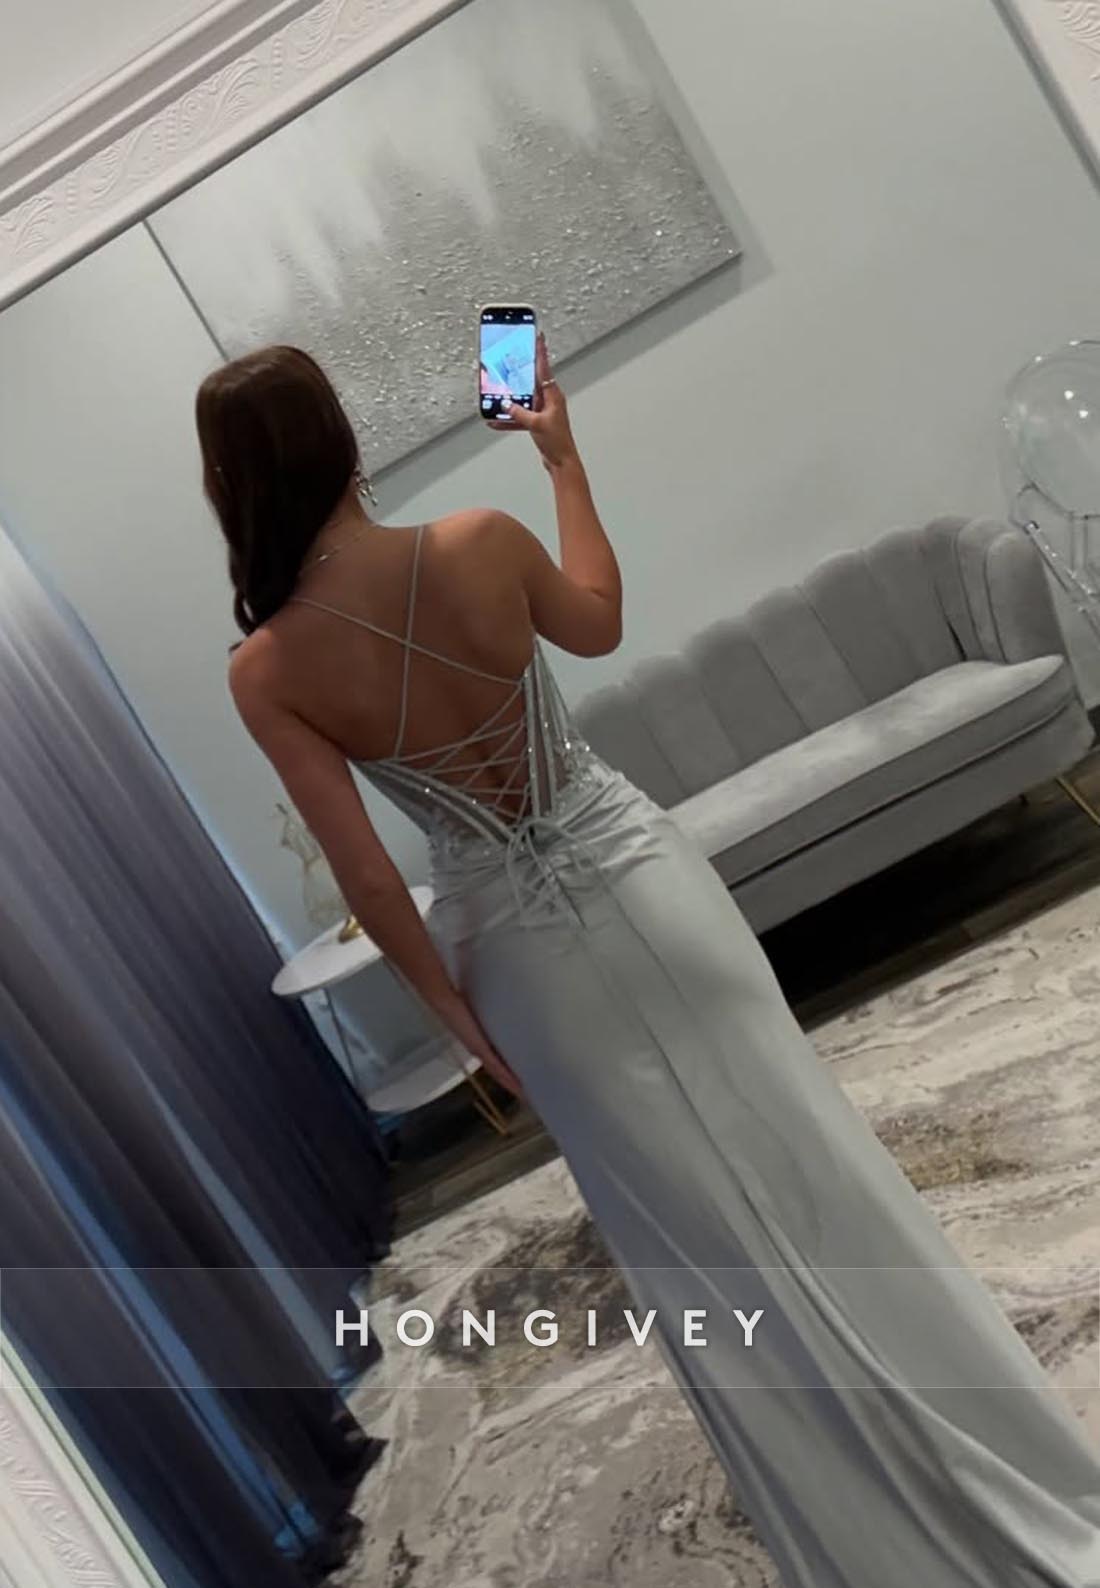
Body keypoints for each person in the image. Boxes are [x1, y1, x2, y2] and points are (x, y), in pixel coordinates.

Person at [197, 338, 1100, 1585]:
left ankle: (852, 1531)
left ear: (232, 485)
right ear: (341, 439)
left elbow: (368, 880)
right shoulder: (478, 539)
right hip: (643, 880)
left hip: (520, 961)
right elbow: (598, 619)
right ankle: (990, 1433)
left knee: (685, 1243)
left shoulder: (265, 672)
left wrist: (460, 1023)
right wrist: (561, 462)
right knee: (811, 1157)